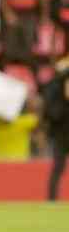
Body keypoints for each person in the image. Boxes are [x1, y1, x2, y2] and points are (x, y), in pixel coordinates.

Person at [43, 57, 69, 201]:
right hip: (61, 134)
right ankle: (52, 199)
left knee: (58, 167)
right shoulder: (56, 92)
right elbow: (51, 114)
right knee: (58, 167)